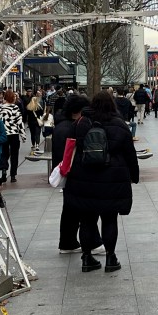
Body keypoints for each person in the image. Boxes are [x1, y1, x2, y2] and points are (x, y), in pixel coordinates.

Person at [65, 92, 140, 273]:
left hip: (84, 177)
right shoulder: (119, 124)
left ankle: (86, 258)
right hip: (112, 178)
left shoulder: (81, 123)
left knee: (87, 220)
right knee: (109, 219)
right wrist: (134, 175)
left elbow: (71, 148)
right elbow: (130, 153)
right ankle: (110, 258)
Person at [52, 94, 90, 255]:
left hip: (66, 173)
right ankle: (74, 242)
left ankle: (68, 242)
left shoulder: (61, 126)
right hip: (73, 173)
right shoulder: (72, 128)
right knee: (78, 209)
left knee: (70, 208)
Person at [0, 90, 25, 184]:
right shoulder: (15, 107)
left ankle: (4, 170)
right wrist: (23, 135)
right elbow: (19, 122)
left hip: (3, 134)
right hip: (13, 133)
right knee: (14, 154)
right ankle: (13, 175)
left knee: (3, 153)